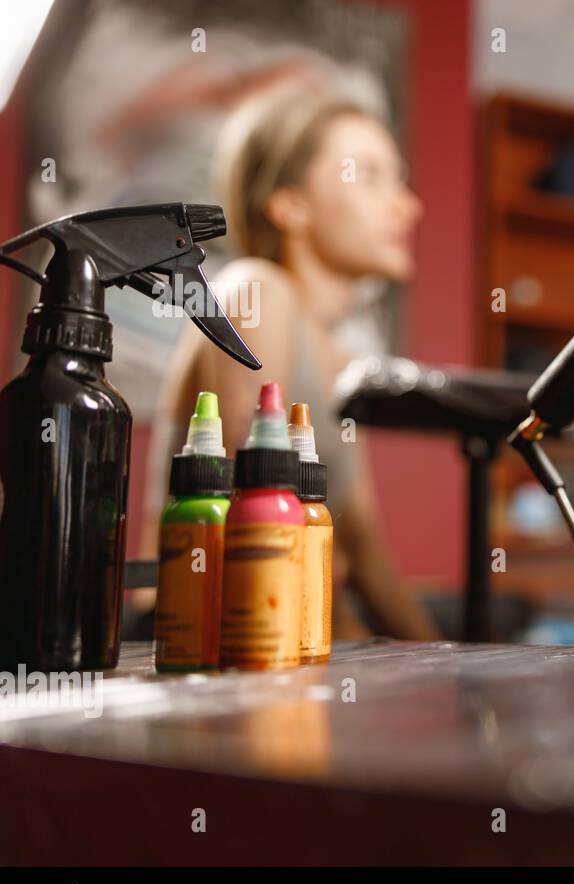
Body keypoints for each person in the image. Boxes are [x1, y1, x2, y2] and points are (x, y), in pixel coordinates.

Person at [149, 87, 441, 642]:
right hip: (199, 634)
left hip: (282, 624)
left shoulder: (344, 362)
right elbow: (252, 509)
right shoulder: (257, 291)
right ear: (289, 204)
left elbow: (365, 553)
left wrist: (457, 672)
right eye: (370, 175)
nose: (408, 205)